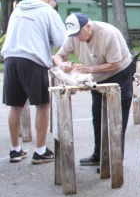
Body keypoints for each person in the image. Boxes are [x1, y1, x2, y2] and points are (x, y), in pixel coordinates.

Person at [53, 13, 134, 166]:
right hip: (97, 76)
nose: (77, 38)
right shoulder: (74, 35)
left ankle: (114, 160)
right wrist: (63, 65)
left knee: (116, 117)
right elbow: (58, 56)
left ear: (88, 26)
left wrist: (88, 69)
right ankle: (99, 154)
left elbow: (115, 64)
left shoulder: (108, 34)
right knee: (97, 115)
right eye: (74, 35)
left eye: (79, 34)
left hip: (119, 73)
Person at [2, 0, 65, 164]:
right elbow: (62, 40)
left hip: (10, 58)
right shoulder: (47, 11)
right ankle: (40, 150)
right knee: (42, 105)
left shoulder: (18, 9)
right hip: (33, 60)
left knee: (15, 106)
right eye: (55, 3)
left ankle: (15, 150)